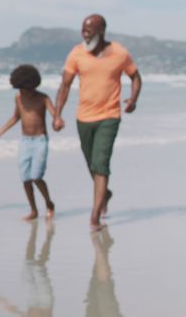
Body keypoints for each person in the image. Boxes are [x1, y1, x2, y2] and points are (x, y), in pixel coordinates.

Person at [54, 14, 142, 231]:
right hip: (84, 117)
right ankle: (106, 194)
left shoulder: (119, 53)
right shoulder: (76, 53)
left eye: (89, 30)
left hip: (109, 116)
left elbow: (136, 77)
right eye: (83, 29)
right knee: (92, 165)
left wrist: (133, 99)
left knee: (101, 164)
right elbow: (65, 85)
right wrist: (57, 114)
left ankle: (94, 217)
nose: (85, 33)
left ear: (101, 31)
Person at [0, 64, 58, 221]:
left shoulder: (43, 98)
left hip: (40, 140)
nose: (22, 92)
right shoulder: (18, 98)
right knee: (25, 178)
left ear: (32, 86)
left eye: (25, 89)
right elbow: (15, 117)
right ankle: (33, 210)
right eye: (19, 89)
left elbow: (55, 115)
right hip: (25, 141)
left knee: (36, 176)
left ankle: (49, 203)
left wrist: (58, 121)